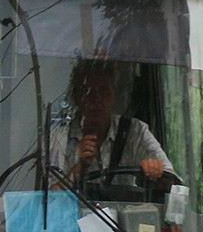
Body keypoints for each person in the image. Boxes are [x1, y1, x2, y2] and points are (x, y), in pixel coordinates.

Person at [50, 60, 173, 190]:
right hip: (74, 210)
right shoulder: (58, 138)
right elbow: (49, 198)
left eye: (104, 91)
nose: (96, 99)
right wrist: (79, 166)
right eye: (87, 92)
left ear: (114, 96)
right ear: (76, 97)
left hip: (125, 210)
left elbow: (173, 181)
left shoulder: (135, 130)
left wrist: (154, 171)